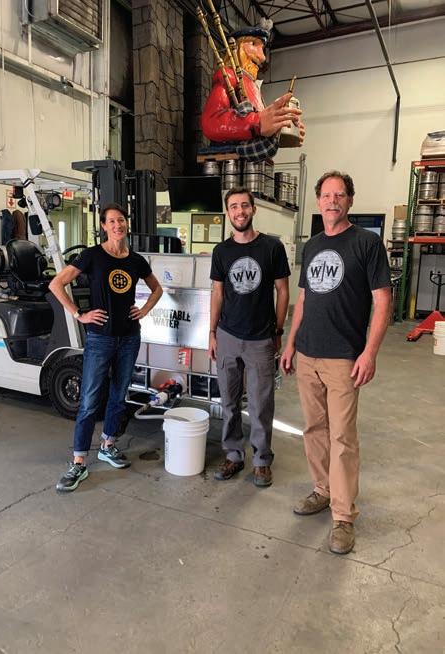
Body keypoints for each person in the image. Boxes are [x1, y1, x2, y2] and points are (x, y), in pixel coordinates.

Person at [280, 171, 391, 554]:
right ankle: (322, 490)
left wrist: (370, 352)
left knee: (343, 437)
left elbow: (382, 301)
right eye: (326, 195)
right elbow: (304, 300)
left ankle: (343, 516)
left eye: (339, 195)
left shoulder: (366, 244)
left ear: (349, 201)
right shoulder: (312, 246)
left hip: (344, 356)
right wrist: (290, 344)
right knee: (314, 429)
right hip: (308, 353)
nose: (332, 201)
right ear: (318, 201)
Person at [50, 203, 163, 492]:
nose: (117, 225)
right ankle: (78, 461)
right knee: (89, 399)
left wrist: (144, 310)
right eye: (111, 221)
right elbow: (57, 284)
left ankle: (107, 445)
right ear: (103, 226)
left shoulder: (136, 260)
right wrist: (79, 314)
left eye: (121, 220)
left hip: (129, 337)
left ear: (126, 223)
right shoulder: (92, 256)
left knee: (118, 395)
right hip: (100, 338)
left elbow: (157, 289)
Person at [209, 186, 290, 487]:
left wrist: (278, 330)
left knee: (260, 403)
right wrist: (211, 332)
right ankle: (233, 455)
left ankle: (261, 460)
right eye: (234, 206)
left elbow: (283, 291)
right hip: (228, 336)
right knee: (229, 402)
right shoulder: (221, 251)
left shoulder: (272, 247)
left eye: (244, 205)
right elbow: (217, 293)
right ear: (228, 212)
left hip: (260, 338)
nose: (240, 211)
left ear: (253, 209)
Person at [201, 24, 305, 161]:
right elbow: (211, 122)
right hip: (228, 162)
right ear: (237, 47)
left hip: (253, 163)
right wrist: (257, 121)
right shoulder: (228, 76)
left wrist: (280, 126)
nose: (262, 57)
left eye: (262, 48)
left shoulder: (254, 87)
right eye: (254, 44)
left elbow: (258, 133)